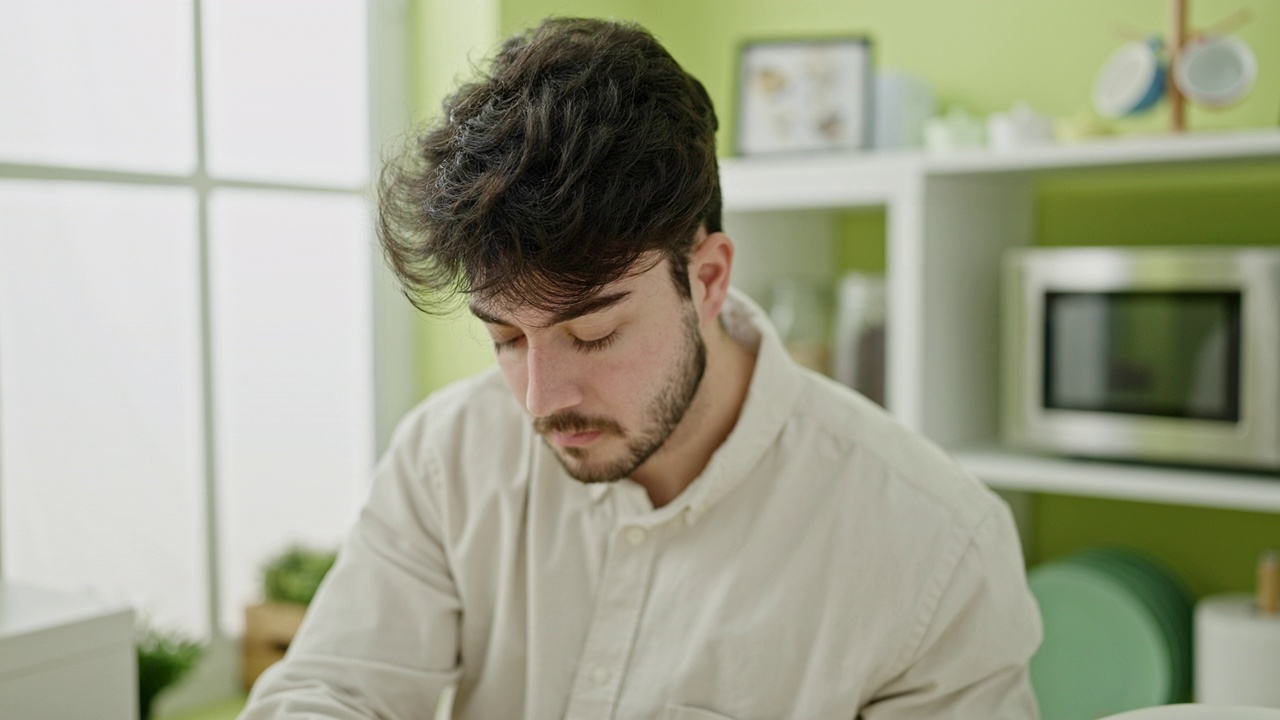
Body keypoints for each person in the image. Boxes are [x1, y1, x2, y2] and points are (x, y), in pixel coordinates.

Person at [240, 17, 1042, 720]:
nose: (539, 401)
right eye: (506, 340)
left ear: (711, 279)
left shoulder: (934, 547)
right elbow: (336, 690)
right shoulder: (447, 460)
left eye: (593, 333)